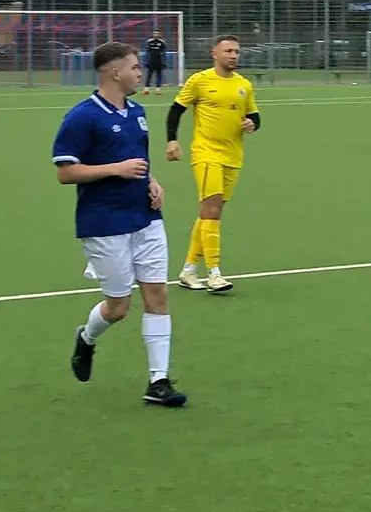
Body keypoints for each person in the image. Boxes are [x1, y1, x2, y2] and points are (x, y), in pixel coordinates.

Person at [53, 41, 186, 407]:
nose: (140, 72)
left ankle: (158, 382)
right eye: (134, 67)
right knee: (119, 307)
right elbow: (66, 173)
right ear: (115, 72)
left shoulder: (138, 112)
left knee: (157, 294)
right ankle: (87, 337)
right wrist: (115, 170)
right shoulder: (82, 117)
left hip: (146, 219)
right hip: (104, 223)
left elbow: (139, 161)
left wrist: (153, 183)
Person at [167, 35, 260, 292]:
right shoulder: (200, 80)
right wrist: (172, 140)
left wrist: (252, 124)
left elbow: (254, 115)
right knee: (213, 211)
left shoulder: (244, 85)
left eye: (237, 51)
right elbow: (176, 109)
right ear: (214, 54)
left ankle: (188, 271)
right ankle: (214, 273)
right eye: (228, 51)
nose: (233, 55)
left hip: (233, 155)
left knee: (209, 212)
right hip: (206, 153)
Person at [142, 29, 168, 95]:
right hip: (151, 61)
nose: (156, 34)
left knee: (159, 75)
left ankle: (158, 90)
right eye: (154, 33)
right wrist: (146, 61)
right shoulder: (149, 42)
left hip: (159, 61)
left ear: (159, 34)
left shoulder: (162, 42)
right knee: (149, 75)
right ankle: (146, 90)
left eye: (157, 33)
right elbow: (147, 52)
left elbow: (164, 53)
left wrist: (164, 62)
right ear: (153, 34)